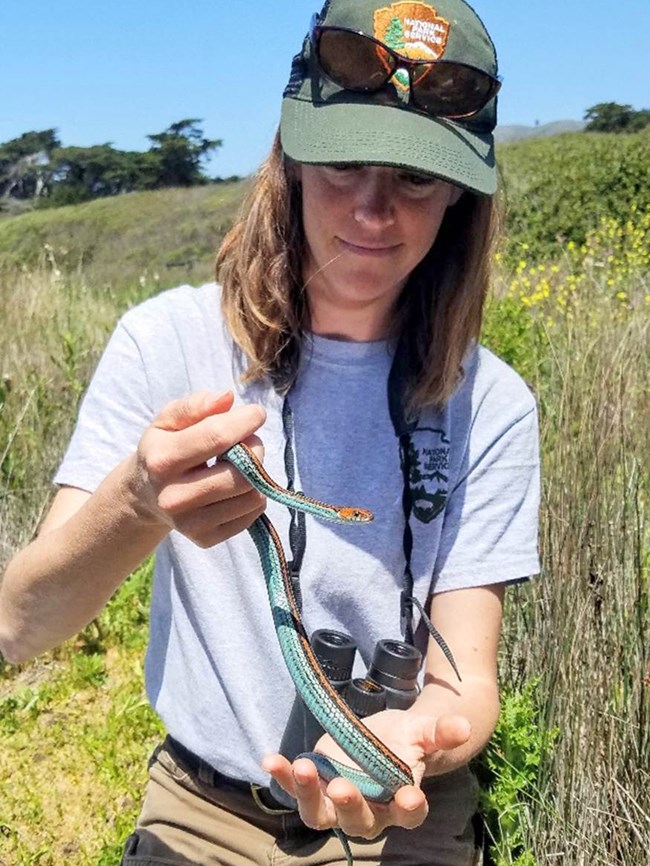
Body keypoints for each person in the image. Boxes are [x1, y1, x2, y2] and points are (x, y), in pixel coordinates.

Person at [0, 0, 540, 864]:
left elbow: (467, 681)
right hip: (207, 812)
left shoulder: (494, 402)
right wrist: (140, 501)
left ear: (459, 204)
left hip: (404, 811)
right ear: (289, 158)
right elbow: (18, 627)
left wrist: (427, 738)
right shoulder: (166, 342)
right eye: (343, 163)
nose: (372, 211)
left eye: (415, 179)